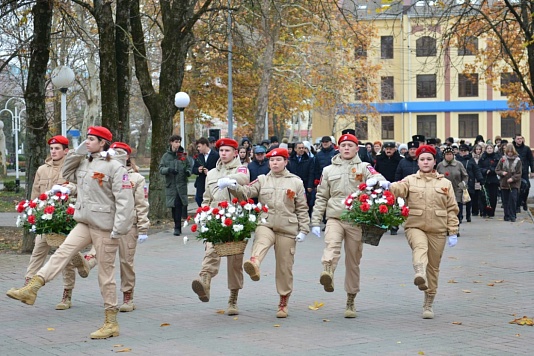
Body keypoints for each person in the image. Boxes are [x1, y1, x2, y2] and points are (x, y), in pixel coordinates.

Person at [7, 126, 135, 339]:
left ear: (103, 142)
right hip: (85, 221)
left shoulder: (115, 167)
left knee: (106, 275)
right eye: (86, 138)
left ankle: (110, 321)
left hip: (105, 227)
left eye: (92, 139)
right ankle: (32, 288)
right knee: (62, 252)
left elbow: (125, 201)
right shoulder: (85, 161)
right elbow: (67, 174)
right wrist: (78, 151)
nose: (88, 141)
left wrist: (118, 230)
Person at [224, 147, 310, 318]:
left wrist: (304, 229)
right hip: (266, 223)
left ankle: (283, 301)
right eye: (271, 160)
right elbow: (247, 192)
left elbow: (302, 208)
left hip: (287, 228)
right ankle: (254, 263)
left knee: (284, 267)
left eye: (278, 160)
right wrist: (233, 186)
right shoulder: (262, 180)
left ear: (286, 162)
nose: (274, 163)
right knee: (261, 240)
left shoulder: (296, 182)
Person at [310, 133, 387, 318]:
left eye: (350, 145)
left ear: (356, 148)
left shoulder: (364, 166)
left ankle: (351, 299)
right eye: (343, 145)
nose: (346, 148)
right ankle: (327, 271)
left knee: (353, 261)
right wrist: (315, 221)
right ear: (338, 148)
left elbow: (380, 179)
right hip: (335, 217)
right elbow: (321, 196)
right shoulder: (328, 170)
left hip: (356, 218)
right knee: (332, 244)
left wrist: (377, 182)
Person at [390, 145, 459, 319]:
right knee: (420, 248)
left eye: (429, 159)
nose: (425, 162)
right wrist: (388, 185)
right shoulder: (410, 180)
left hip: (438, 229)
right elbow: (398, 189)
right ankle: (419, 272)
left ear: (435, 161)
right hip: (415, 225)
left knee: (434, 268)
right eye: (422, 159)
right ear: (418, 162)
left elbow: (452, 208)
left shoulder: (445, 183)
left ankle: (428, 303)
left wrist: (452, 230)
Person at [82, 142, 150, 312]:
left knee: (126, 260)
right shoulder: (103, 172)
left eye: (121, 152)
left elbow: (141, 204)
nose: (117, 154)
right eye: (114, 151)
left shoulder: (136, 178)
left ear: (127, 156)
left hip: (128, 225)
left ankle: (128, 295)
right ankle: (87, 263)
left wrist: (143, 228)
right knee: (100, 250)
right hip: (107, 221)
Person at [23, 135, 88, 310]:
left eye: (57, 148)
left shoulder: (72, 168)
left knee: (64, 258)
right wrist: (32, 212)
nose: (53, 152)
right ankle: (28, 286)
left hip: (64, 218)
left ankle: (67, 294)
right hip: (45, 218)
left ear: (66, 151)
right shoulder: (42, 169)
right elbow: (35, 193)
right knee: (38, 251)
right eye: (52, 149)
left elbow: (79, 189)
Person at [191, 138, 250, 315]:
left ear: (234, 152)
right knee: (211, 251)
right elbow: (206, 197)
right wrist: (203, 214)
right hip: (216, 219)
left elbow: (245, 188)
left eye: (227, 150)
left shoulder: (242, 169)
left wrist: (231, 183)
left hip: (236, 220)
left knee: (234, 262)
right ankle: (205, 282)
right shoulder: (212, 173)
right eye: (222, 150)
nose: (224, 153)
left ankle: (233, 298)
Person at [159, 135, 191, 236]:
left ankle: (178, 226)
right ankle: (176, 226)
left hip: (181, 185)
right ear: (171, 142)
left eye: (179, 142)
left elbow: (189, 167)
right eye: (176, 142)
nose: (178, 144)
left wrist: (187, 172)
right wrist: (168, 170)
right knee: (174, 206)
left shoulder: (183, 156)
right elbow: (161, 169)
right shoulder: (166, 156)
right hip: (171, 185)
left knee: (179, 205)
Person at [374, 141, 403, 235]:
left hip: (395, 184)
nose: (388, 151)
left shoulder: (399, 159)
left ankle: (394, 225)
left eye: (391, 149)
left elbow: (400, 172)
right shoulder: (379, 158)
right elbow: (376, 171)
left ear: (395, 149)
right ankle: (383, 224)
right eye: (387, 149)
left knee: (395, 205)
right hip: (382, 185)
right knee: (382, 204)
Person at [437, 147, 468, 224]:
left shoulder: (458, 164)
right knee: (446, 209)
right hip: (444, 190)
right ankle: (447, 225)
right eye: (447, 154)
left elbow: (465, 176)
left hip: (457, 189)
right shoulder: (440, 165)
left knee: (457, 207)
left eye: (450, 154)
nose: (449, 156)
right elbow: (436, 177)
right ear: (444, 156)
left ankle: (456, 225)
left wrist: (462, 185)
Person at [456, 144, 483, 222]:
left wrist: (480, 179)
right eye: (462, 151)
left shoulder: (471, 160)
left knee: (468, 199)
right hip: (459, 182)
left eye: (465, 151)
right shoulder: (457, 160)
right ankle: (460, 215)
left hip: (469, 181)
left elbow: (476, 170)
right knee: (459, 200)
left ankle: (468, 215)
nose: (463, 152)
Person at [496, 143, 522, 222]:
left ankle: (513, 216)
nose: (510, 153)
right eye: (508, 152)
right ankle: (506, 215)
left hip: (514, 184)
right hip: (504, 183)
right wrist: (501, 173)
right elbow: (497, 169)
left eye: (511, 152)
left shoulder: (518, 161)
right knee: (505, 201)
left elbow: (519, 173)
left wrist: (513, 178)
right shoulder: (502, 159)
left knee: (513, 200)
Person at [288, 141, 315, 217]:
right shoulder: (290, 160)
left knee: (306, 202)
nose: (302, 149)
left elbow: (311, 173)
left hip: (305, 184)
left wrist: (310, 185)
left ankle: (306, 217)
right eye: (299, 148)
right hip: (293, 184)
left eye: (303, 148)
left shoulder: (309, 160)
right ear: (295, 149)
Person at [192, 137, 219, 207]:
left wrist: (210, 172)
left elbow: (219, 169)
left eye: (199, 146)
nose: (198, 148)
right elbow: (193, 169)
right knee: (198, 199)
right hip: (201, 183)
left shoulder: (216, 155)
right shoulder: (198, 157)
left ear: (205, 145)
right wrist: (198, 170)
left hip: (212, 183)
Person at [512, 134, 534, 212]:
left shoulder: (526, 149)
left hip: (524, 171)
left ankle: (524, 201)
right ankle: (517, 206)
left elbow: (531, 160)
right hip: (514, 172)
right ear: (515, 140)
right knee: (517, 189)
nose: (519, 140)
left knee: (526, 186)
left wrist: (532, 171)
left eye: (521, 138)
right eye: (518, 139)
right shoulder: (512, 148)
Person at [478, 144, 501, 217]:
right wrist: (485, 171)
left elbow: (499, 168)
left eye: (491, 148)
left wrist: (492, 170)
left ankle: (491, 212)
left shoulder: (496, 157)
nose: (489, 149)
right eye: (488, 148)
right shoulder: (482, 158)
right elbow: (479, 168)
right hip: (485, 179)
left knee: (493, 197)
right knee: (484, 196)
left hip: (493, 180)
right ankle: (484, 211)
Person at [468, 144, 486, 217]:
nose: (478, 151)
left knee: (481, 195)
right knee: (474, 195)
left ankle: (482, 210)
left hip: (481, 178)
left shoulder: (483, 158)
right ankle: (475, 210)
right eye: (477, 149)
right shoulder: (471, 158)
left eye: (479, 149)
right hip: (473, 179)